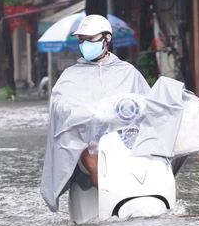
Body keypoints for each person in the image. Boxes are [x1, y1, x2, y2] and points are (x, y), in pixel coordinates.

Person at [50, 15, 149, 189]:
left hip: (126, 138)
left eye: (90, 39)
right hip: (86, 142)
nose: (85, 44)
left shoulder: (128, 72)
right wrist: (79, 113)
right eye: (82, 40)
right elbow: (59, 105)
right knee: (93, 159)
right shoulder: (70, 76)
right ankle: (109, 197)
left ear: (107, 38)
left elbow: (148, 105)